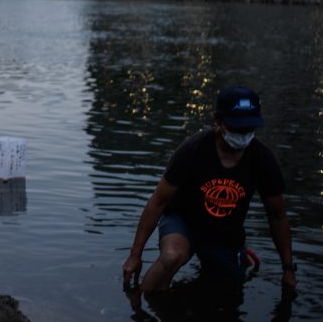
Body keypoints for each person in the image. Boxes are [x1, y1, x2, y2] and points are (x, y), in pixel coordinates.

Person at [122, 87, 296, 294]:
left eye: (249, 128)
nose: (243, 135)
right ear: (218, 120)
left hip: (225, 233)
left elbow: (277, 216)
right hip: (183, 222)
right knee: (171, 257)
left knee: (226, 293)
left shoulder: (262, 159)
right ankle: (139, 307)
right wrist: (135, 255)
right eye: (236, 128)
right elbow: (158, 202)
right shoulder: (193, 150)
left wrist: (288, 269)